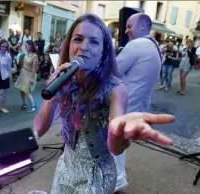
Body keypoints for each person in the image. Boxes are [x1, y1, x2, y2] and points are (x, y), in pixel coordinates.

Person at [33, 13, 173, 194]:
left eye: (94, 42)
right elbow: (39, 130)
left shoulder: (115, 89)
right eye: (78, 39)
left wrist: (119, 133)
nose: (84, 47)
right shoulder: (62, 80)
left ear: (103, 52)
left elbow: (116, 149)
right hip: (65, 167)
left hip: (95, 178)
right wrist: (52, 98)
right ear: (69, 45)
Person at [114, 13, 162, 193]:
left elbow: (114, 70)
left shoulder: (136, 45)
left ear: (142, 26)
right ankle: (117, 178)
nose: (126, 31)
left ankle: (116, 180)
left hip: (125, 105)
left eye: (129, 26)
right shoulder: (154, 46)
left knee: (113, 142)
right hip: (139, 106)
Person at [14, 40, 38, 113]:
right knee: (21, 90)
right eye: (25, 45)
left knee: (27, 91)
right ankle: (24, 104)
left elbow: (34, 69)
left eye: (26, 45)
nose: (25, 46)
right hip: (23, 72)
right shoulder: (26, 54)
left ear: (30, 46)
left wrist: (31, 78)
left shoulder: (34, 56)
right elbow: (23, 63)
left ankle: (33, 106)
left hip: (30, 74)